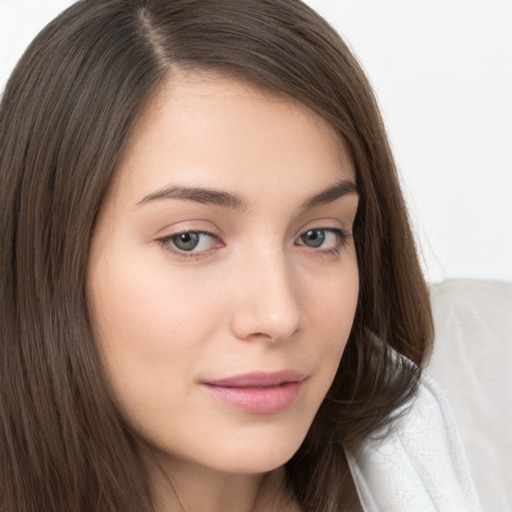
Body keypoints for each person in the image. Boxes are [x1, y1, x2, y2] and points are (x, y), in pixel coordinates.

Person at [0, 1, 481, 511]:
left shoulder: (445, 452)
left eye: (318, 236)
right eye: (190, 239)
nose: (278, 315)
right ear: (46, 259)